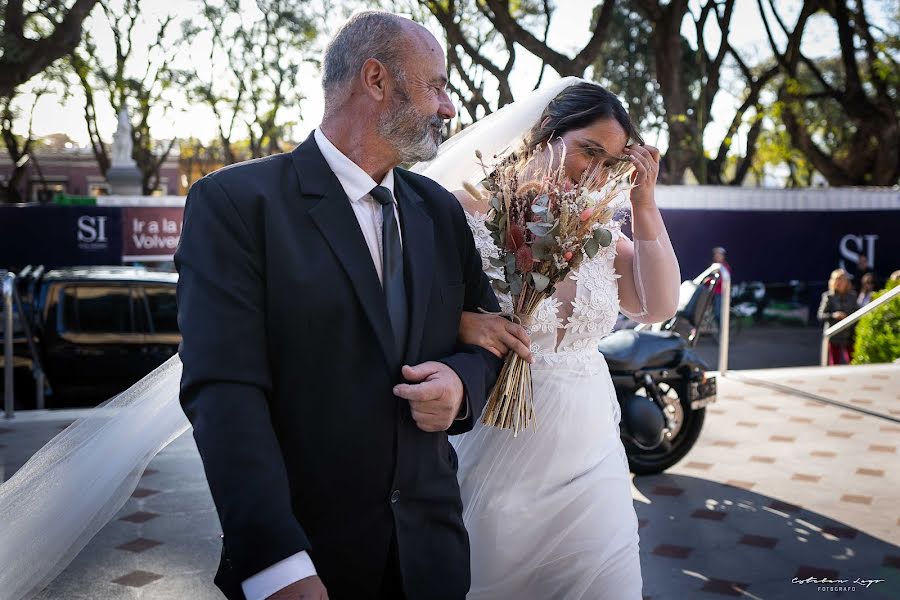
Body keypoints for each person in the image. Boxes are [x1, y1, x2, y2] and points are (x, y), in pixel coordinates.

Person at [0, 12, 511, 600]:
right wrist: (277, 563)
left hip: (433, 559)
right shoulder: (236, 204)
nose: (448, 107)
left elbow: (489, 339)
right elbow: (225, 390)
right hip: (309, 561)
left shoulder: (440, 212)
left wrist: (461, 385)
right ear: (376, 80)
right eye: (437, 86)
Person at [417, 80, 681, 599]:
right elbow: (413, 310)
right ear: (544, 135)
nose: (596, 171)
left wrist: (644, 205)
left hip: (591, 456)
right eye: (589, 150)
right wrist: (463, 326)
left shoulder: (599, 229)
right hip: (495, 440)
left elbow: (659, 305)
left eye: (611, 163)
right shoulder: (460, 212)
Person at [818, 268, 859, 365]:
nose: (839, 282)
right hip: (834, 335)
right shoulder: (828, 296)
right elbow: (820, 315)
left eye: (842, 279)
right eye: (837, 279)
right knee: (834, 363)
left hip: (849, 335)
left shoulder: (852, 296)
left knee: (852, 362)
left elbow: (857, 313)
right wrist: (834, 315)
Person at [711, 246, 732, 325]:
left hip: (720, 293)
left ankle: (722, 330)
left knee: (718, 313)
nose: (716, 256)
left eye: (718, 254)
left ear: (723, 256)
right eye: (715, 254)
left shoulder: (724, 268)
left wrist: (709, 281)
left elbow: (722, 281)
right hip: (713, 292)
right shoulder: (714, 266)